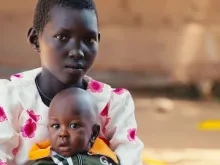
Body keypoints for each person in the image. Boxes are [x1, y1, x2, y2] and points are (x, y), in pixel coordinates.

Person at [0, 0, 144, 164]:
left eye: (89, 40)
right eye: (62, 37)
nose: (77, 52)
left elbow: (130, 159)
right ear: (35, 39)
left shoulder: (112, 105)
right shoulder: (11, 99)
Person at [28, 87, 120, 165]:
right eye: (56, 126)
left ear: (93, 133)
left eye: (74, 126)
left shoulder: (105, 160)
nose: (63, 133)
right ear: (48, 130)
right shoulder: (42, 162)